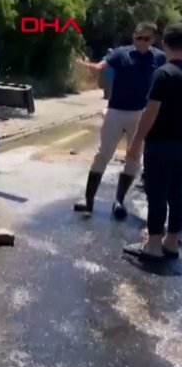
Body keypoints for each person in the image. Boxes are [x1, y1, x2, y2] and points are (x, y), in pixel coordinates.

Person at [74, 22, 166, 220]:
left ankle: (119, 201)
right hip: (116, 111)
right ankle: (88, 201)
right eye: (138, 37)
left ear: (153, 40)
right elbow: (102, 65)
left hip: (140, 113)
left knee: (133, 158)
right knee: (103, 154)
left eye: (146, 38)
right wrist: (89, 65)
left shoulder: (159, 57)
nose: (141, 42)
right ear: (133, 37)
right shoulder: (121, 53)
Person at [123, 23, 182, 259]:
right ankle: (172, 241)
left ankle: (153, 245)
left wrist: (136, 141)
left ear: (165, 44)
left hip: (160, 145)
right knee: (179, 194)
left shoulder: (163, 74)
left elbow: (151, 111)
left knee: (156, 193)